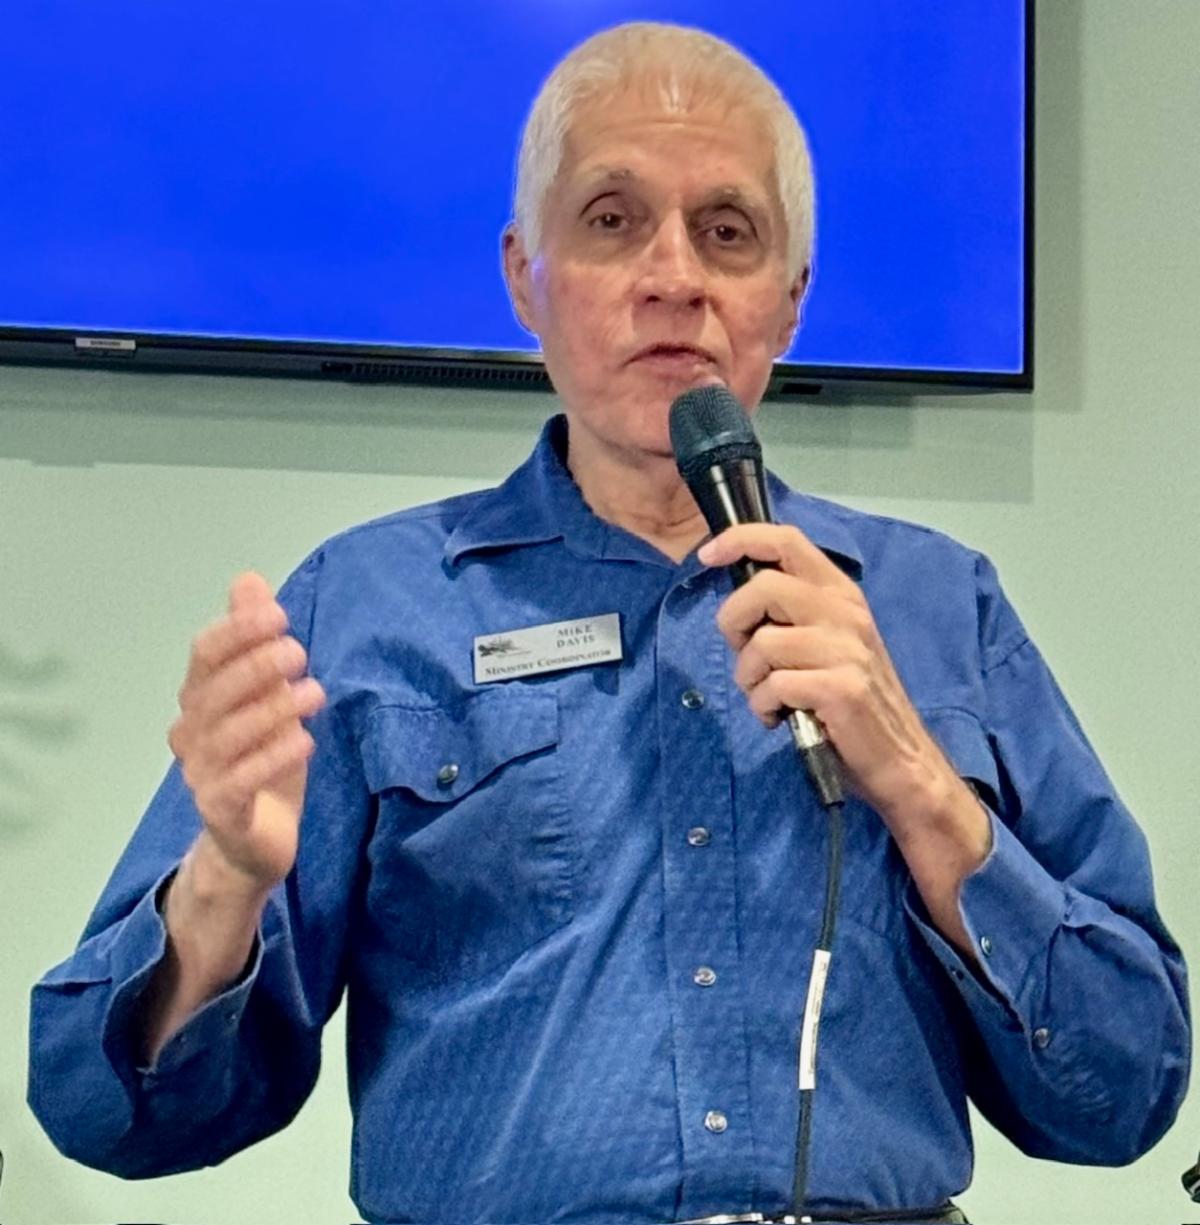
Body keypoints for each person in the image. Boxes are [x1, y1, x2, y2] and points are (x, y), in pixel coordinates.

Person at [28, 21, 1189, 1225]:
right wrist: (222, 883)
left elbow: (1126, 1090)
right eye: (612, 219)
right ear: (524, 277)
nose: (674, 276)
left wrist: (918, 782)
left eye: (727, 232)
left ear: (790, 301)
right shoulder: (364, 610)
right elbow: (104, 1110)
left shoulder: (940, 607)